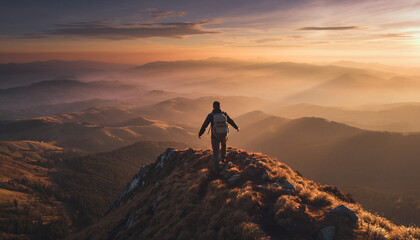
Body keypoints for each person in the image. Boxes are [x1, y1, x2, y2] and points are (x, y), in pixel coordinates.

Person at [199, 101, 239, 172]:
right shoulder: (224, 114)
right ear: (220, 107)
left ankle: (216, 169)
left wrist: (200, 133)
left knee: (215, 152)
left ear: (213, 107)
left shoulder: (210, 115)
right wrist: (236, 127)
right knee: (223, 146)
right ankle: (223, 159)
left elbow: (204, 125)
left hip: (214, 136)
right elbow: (230, 121)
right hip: (224, 135)